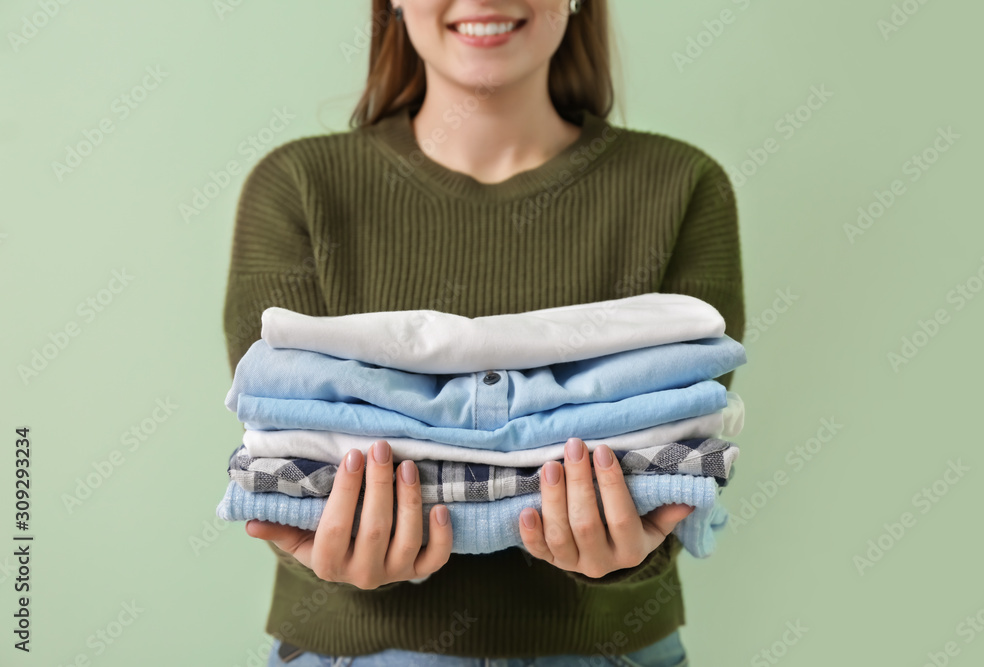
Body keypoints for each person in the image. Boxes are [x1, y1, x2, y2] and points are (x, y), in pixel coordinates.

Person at [222, 0, 745, 664]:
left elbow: (685, 444)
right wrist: (331, 548)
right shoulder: (299, 188)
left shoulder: (680, 186)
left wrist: (627, 551)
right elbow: (281, 453)